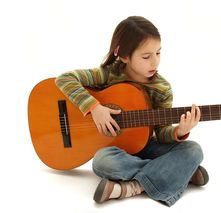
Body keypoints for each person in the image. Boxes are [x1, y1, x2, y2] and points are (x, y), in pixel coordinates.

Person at [55, 16, 208, 207]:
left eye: (158, 53)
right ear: (124, 55)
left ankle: (131, 187)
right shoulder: (108, 74)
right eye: (146, 56)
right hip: (116, 151)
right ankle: (178, 172)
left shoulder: (162, 88)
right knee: (101, 161)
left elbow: (161, 132)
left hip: (147, 147)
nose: (155, 62)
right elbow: (64, 79)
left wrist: (179, 131)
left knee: (193, 150)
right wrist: (94, 108)